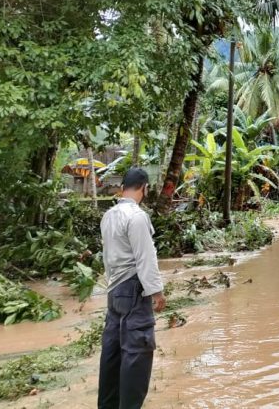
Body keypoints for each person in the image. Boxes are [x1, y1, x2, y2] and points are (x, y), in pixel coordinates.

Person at [98, 167, 166, 409]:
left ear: (122, 188)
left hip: (114, 291)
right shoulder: (137, 217)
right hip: (133, 289)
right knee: (137, 352)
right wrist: (156, 291)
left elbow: (108, 256)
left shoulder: (108, 216)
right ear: (144, 188)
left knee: (113, 354)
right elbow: (145, 257)